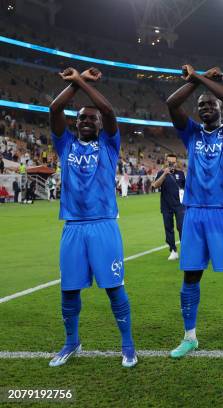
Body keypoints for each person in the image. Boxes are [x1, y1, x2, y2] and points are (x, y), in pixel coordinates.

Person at [166, 64, 223, 358]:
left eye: (210, 104)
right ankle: (190, 336)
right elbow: (172, 103)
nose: (205, 107)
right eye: (201, 105)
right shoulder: (191, 133)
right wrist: (196, 80)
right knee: (190, 277)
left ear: (219, 109)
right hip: (194, 213)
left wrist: (203, 79)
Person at [48, 67, 136, 367]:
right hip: (72, 227)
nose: (85, 121)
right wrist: (74, 83)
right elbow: (54, 108)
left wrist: (81, 81)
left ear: (100, 125)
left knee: (114, 288)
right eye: (81, 118)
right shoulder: (66, 145)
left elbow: (109, 110)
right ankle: (72, 343)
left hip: (103, 226)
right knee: (69, 289)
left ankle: (128, 346)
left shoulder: (109, 145)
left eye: (91, 118)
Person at [152, 153, 185, 261]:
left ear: (176, 162)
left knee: (181, 227)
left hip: (180, 205)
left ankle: (185, 250)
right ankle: (173, 250)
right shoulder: (161, 173)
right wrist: (164, 174)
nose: (171, 164)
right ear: (166, 162)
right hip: (166, 205)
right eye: (169, 162)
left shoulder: (180, 173)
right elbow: (155, 185)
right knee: (168, 229)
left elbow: (185, 188)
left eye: (173, 162)